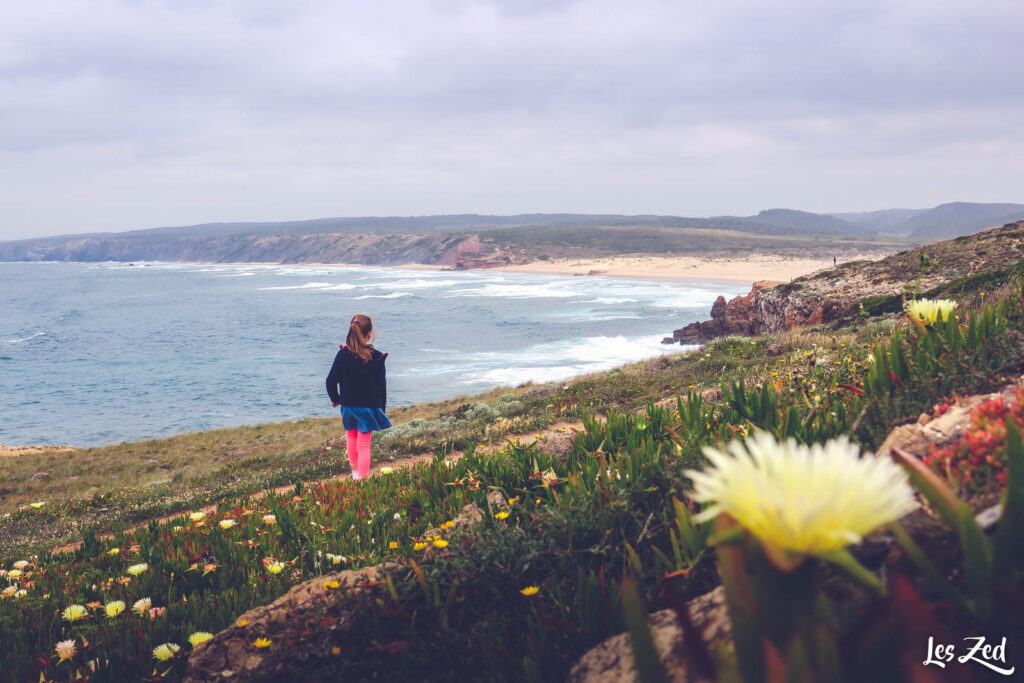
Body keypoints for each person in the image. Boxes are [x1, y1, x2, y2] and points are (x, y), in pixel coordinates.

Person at [325, 314, 392, 480]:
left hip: (348, 406)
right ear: (369, 334)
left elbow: (330, 381)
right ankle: (362, 478)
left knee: (351, 437)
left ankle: (355, 473)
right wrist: (381, 409)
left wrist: (336, 399)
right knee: (363, 444)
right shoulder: (376, 358)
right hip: (367, 408)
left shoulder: (342, 355)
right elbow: (381, 386)